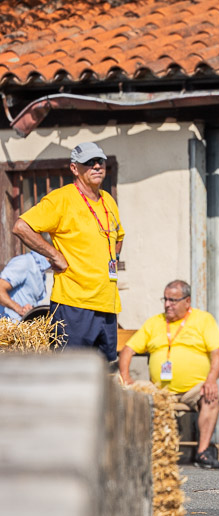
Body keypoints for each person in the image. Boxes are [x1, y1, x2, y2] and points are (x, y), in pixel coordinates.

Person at [11, 142, 124, 362]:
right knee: (71, 371)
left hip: (107, 303)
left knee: (105, 372)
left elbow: (119, 237)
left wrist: (112, 258)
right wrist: (55, 255)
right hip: (74, 304)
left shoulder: (108, 200)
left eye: (100, 161)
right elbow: (21, 227)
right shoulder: (61, 199)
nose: (97, 167)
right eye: (89, 163)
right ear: (75, 169)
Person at [119, 280, 219, 470]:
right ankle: (138, 453)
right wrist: (126, 378)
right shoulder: (155, 322)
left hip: (193, 389)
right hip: (159, 389)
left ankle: (202, 452)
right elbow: (128, 350)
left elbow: (218, 352)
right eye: (166, 299)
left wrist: (211, 380)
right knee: (125, 390)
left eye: (173, 300)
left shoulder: (203, 319)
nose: (168, 304)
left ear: (187, 301)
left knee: (210, 396)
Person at [0, 251, 49, 320]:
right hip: (10, 326)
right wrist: (19, 309)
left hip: (23, 327)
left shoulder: (41, 270)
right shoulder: (24, 262)